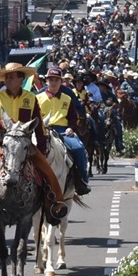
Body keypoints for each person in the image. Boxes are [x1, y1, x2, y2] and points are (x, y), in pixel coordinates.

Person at [0, 62, 71, 221]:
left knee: (47, 171)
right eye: (7, 77)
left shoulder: (31, 98)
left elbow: (39, 126)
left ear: (21, 79)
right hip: (0, 143)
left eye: (12, 77)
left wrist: (41, 149)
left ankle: (54, 206)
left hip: (25, 144)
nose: (8, 80)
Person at [37, 67, 92, 195]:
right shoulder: (37, 98)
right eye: (51, 80)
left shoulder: (67, 98)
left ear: (61, 82)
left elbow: (73, 117)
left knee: (79, 148)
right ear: (46, 81)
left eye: (56, 80)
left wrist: (71, 128)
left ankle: (82, 180)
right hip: (42, 130)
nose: (53, 83)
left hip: (62, 130)